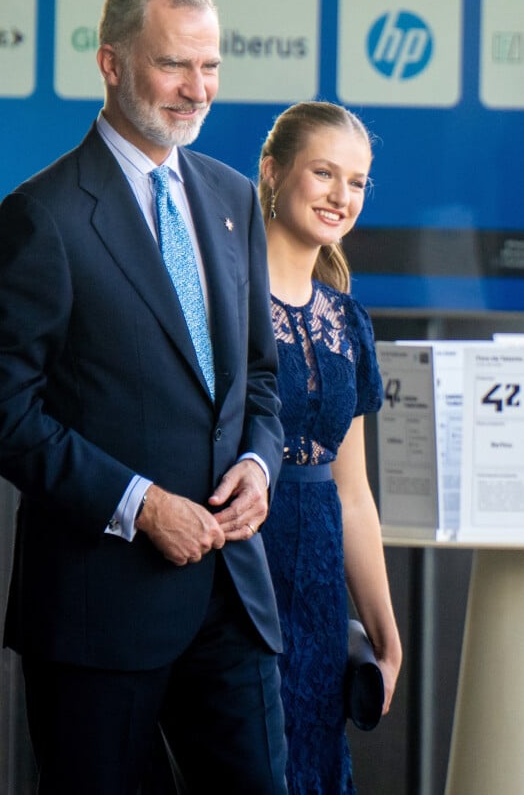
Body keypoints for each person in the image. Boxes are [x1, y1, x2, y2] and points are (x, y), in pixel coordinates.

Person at [0, 0, 288, 795]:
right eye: (175, 65)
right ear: (110, 63)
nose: (197, 89)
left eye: (211, 67)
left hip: (233, 601)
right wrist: (140, 503)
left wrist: (260, 464)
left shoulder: (233, 196)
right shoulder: (43, 216)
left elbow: (257, 379)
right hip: (98, 619)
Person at [257, 101, 403, 794]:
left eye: (358, 181)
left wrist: (385, 631)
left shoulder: (348, 321)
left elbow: (353, 493)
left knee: (312, 770)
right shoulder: (221, 301)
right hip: (233, 570)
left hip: (317, 588)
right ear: (273, 172)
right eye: (324, 173)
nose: (342, 196)